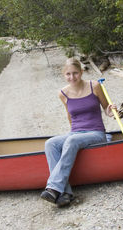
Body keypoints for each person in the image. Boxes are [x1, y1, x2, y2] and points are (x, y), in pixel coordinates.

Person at [40, 57, 116, 207]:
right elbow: (70, 116)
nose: (72, 77)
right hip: (75, 133)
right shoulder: (63, 93)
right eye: (68, 74)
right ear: (64, 74)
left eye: (75, 73)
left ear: (81, 72)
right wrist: (72, 135)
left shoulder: (95, 86)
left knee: (71, 141)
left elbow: (107, 109)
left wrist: (111, 110)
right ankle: (65, 193)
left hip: (96, 133)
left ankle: (53, 187)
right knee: (51, 144)